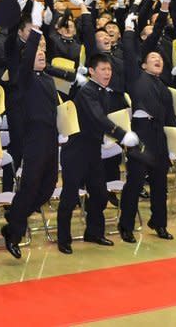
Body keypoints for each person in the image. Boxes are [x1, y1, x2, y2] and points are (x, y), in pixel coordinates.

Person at [56, 53, 139, 254]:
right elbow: (98, 117)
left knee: (101, 194)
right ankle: (63, 239)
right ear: (92, 71)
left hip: (93, 150)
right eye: (103, 69)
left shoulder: (104, 92)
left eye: (109, 69)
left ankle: (93, 232)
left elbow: (100, 120)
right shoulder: (87, 92)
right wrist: (121, 134)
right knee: (69, 196)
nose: (107, 73)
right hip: (76, 151)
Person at [118, 0, 176, 243]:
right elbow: (140, 45)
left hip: (159, 135)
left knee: (161, 184)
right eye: (152, 57)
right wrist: (130, 30)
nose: (157, 59)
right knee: (135, 182)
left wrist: (165, 7)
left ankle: (158, 222)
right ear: (142, 63)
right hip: (141, 132)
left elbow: (171, 117)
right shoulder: (135, 74)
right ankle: (126, 225)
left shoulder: (163, 86)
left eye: (159, 58)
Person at [2, 1, 60, 259]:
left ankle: (14, 216)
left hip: (51, 136)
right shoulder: (24, 78)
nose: (41, 56)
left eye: (43, 55)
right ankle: (14, 231)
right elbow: (26, 58)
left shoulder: (48, 79)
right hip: (34, 136)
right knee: (30, 186)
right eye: (37, 54)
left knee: (47, 188)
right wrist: (35, 29)